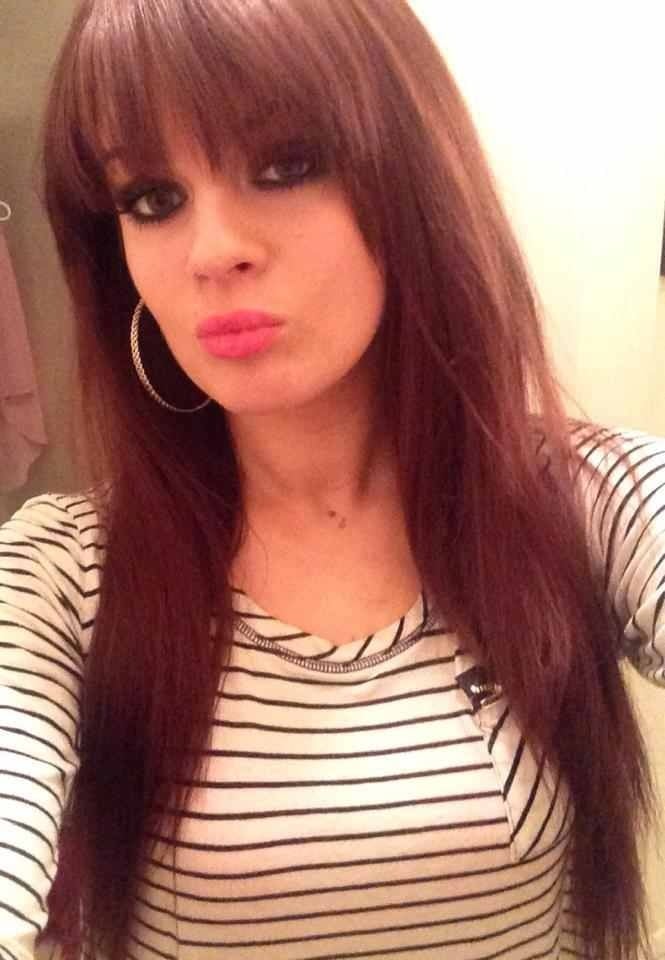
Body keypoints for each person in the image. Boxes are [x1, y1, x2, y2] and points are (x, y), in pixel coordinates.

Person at [0, 0, 663, 958]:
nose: (212, 249)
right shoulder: (59, 576)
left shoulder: (591, 502)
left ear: (413, 189)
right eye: (152, 198)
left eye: (285, 165)